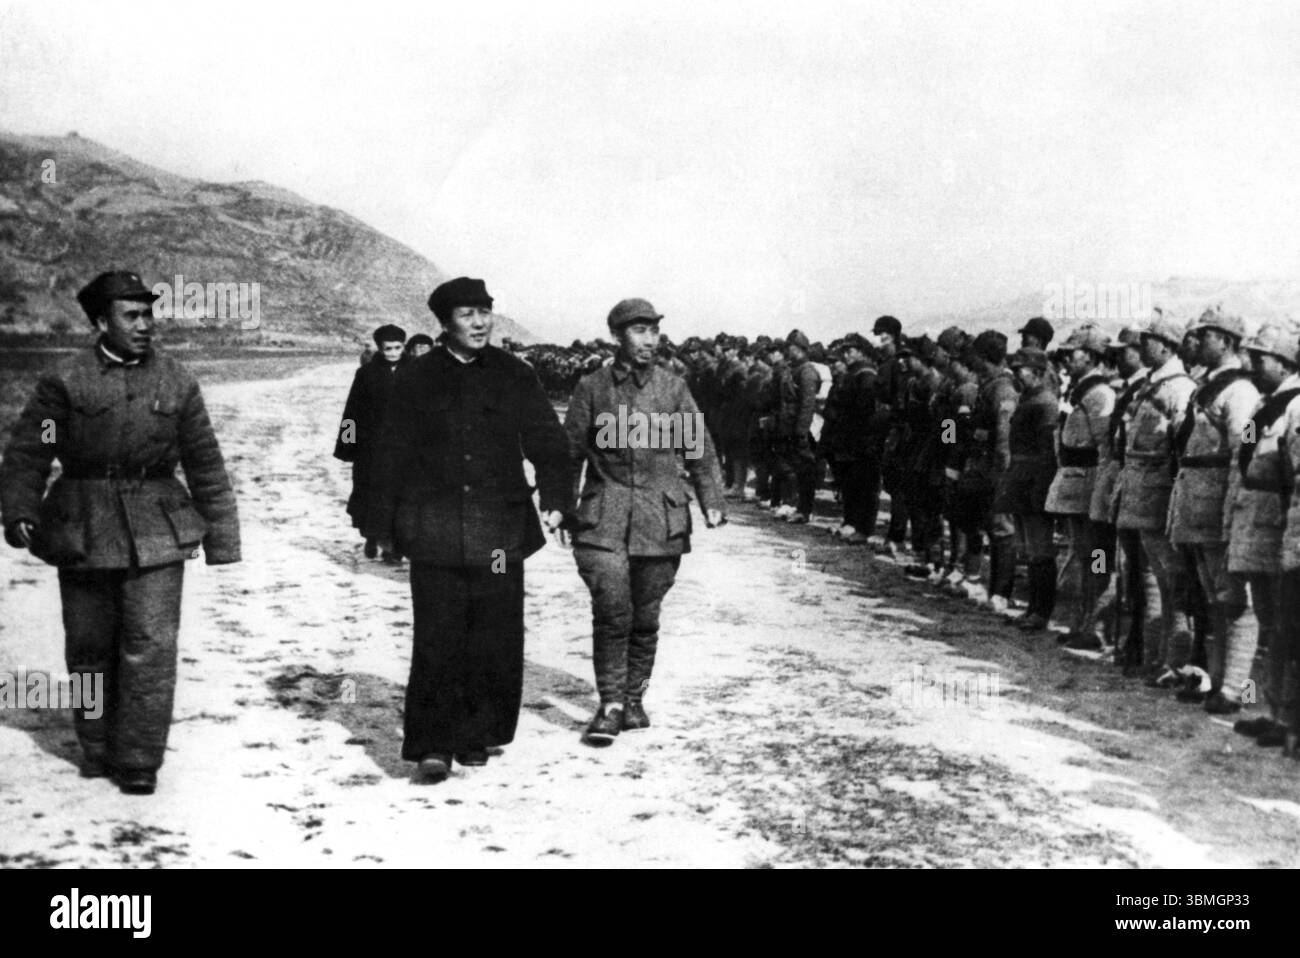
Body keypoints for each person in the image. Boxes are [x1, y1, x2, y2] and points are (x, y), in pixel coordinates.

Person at [0, 270, 241, 795]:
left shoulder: (177, 382)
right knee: (88, 646)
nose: (145, 325)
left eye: (148, 313)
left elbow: (205, 462)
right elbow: (30, 451)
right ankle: (96, 744)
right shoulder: (64, 383)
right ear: (100, 321)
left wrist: (222, 537)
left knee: (150, 644)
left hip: (158, 529)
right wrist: (19, 509)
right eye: (131, 315)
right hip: (81, 527)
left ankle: (137, 758)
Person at [367, 277, 569, 782]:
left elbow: (547, 439)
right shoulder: (416, 377)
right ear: (444, 323)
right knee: (437, 634)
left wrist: (557, 497)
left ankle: (477, 733)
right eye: (467, 314)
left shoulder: (514, 374)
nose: (480, 323)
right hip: (433, 529)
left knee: (495, 633)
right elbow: (390, 452)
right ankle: (434, 744)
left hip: (500, 531)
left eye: (485, 312)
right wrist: (384, 521)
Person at [563, 298, 726, 745]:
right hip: (604, 519)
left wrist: (711, 498)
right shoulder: (592, 388)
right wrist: (560, 503)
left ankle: (634, 699)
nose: (649, 340)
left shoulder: (673, 389)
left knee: (646, 616)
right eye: (639, 331)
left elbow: (699, 449)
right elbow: (570, 451)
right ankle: (610, 704)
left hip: (661, 517)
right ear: (618, 336)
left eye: (654, 331)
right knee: (612, 610)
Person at [1168, 306, 1258, 705]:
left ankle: (1235, 687)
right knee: (1213, 598)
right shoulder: (1209, 385)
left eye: (1207, 335)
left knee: (1233, 599)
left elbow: (1244, 452)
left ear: (1227, 341)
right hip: (1196, 502)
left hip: (1219, 503)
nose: (1199, 340)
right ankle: (1215, 680)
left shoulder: (1240, 391)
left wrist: (1233, 512)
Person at [1225, 322, 1300, 735]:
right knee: (1270, 618)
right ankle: (1270, 709)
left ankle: (1284, 714)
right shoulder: (1265, 405)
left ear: (1285, 361)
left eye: (1262, 357)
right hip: (1255, 514)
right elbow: (1246, 449)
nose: (1253, 363)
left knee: (1285, 620)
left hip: (1279, 518)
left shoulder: (1295, 405)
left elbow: (1292, 472)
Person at [1115, 310, 1197, 687]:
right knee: (1150, 577)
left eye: (1146, 340)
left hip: (1160, 492)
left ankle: (1174, 660)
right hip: (1138, 490)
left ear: (1165, 345)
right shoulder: (1152, 385)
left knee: (1170, 579)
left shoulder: (1177, 388)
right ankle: (1153, 655)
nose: (1140, 346)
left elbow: (1180, 445)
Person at [1044, 327, 1116, 649]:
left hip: (1091, 482)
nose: (1066, 361)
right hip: (1076, 480)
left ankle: (1096, 625)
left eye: (1072, 354)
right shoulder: (1082, 391)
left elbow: (1105, 447)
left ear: (1091, 356)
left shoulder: (1100, 394)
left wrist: (1101, 493)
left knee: (1098, 555)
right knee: (1085, 555)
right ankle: (1084, 620)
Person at [334, 324, 407, 561]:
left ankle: (393, 546)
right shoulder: (366, 373)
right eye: (388, 348)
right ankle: (373, 537)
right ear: (379, 348)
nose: (393, 352)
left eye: (398, 347)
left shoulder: (416, 371)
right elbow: (352, 410)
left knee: (400, 496)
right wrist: (347, 446)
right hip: (372, 447)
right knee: (373, 495)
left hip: (404, 447)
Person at [1004, 347, 1060, 631]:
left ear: (1037, 373)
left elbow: (1047, 452)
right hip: (1021, 479)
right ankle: (1032, 608)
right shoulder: (1028, 399)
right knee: (1028, 549)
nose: (1015, 375)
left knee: (1041, 550)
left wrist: (1041, 489)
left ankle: (1041, 612)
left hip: (1035, 481)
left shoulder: (1045, 403)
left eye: (1019, 370)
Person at [771, 329, 821, 523]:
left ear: (801, 349)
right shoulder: (791, 370)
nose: (789, 351)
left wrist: (801, 431)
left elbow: (807, 404)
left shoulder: (807, 371)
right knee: (790, 468)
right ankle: (792, 504)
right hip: (786, 426)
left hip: (799, 429)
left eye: (792, 348)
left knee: (805, 470)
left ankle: (805, 509)